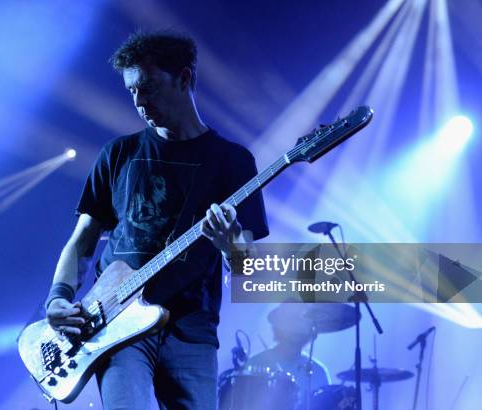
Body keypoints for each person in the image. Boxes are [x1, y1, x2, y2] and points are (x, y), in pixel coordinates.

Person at [45, 30, 269, 410]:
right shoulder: (118, 153)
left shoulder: (233, 161)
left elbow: (247, 270)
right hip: (116, 326)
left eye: (148, 88)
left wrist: (231, 246)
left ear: (184, 79)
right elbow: (83, 240)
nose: (138, 101)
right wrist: (58, 297)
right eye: (131, 90)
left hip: (191, 331)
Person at [244, 303, 331, 408]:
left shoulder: (318, 372)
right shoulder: (255, 364)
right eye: (291, 321)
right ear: (279, 327)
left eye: (301, 321)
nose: (297, 327)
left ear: (312, 331)